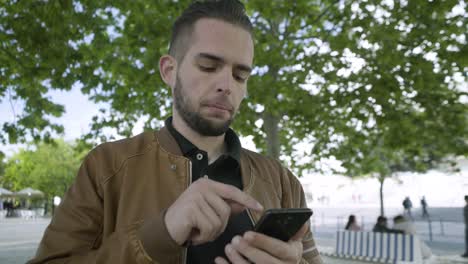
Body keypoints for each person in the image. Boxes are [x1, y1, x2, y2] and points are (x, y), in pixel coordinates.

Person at [28, 1, 323, 264]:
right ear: (169, 71)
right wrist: (160, 235)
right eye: (209, 66)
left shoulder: (281, 180)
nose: (226, 85)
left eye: (240, 75)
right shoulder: (106, 166)